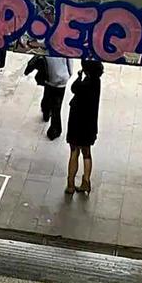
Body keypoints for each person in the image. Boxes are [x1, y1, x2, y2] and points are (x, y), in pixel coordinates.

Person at [65, 59, 104, 195]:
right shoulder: (96, 82)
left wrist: (79, 76)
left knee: (74, 152)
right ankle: (86, 181)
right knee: (87, 153)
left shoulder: (84, 84)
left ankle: (70, 183)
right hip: (89, 124)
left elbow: (74, 88)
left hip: (77, 122)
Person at [41, 56, 73, 140]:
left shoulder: (47, 45)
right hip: (62, 80)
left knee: (48, 95)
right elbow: (70, 64)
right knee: (57, 106)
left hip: (49, 78)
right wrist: (68, 75)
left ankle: (46, 112)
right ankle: (55, 129)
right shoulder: (65, 47)